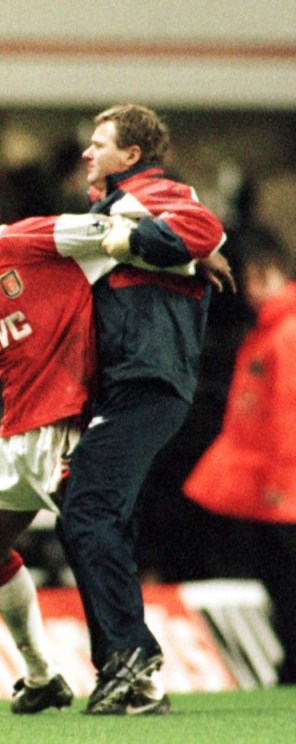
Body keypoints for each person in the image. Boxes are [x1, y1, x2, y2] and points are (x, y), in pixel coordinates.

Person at [0, 181, 129, 714]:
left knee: (94, 542)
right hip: (17, 430)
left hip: (60, 425)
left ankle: (134, 668)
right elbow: (32, 327)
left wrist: (195, 252)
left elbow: (118, 231)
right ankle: (41, 676)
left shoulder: (28, 239)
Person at [56, 104, 229, 715]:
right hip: (128, 384)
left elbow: (203, 229)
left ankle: (131, 653)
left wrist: (131, 237)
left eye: (98, 144)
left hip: (151, 380)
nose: (86, 153)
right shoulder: (106, 213)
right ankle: (130, 676)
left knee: (88, 510)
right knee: (89, 517)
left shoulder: (155, 192)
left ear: (131, 156)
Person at [184, 236, 296, 685]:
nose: (248, 289)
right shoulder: (271, 330)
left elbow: (289, 411)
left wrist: (280, 480)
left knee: (285, 578)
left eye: (255, 278)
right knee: (277, 577)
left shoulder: (285, 334)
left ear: (275, 273)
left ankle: (292, 661)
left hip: (281, 483)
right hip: (269, 478)